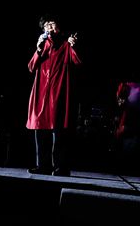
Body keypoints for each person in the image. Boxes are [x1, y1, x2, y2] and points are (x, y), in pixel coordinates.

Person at [26, 16, 81, 176]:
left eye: (52, 24)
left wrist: (74, 46)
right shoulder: (43, 45)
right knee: (40, 130)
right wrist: (38, 50)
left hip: (58, 95)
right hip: (41, 94)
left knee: (59, 133)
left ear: (59, 27)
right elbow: (31, 67)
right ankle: (42, 166)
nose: (49, 27)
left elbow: (78, 62)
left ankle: (60, 167)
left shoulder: (66, 45)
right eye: (46, 25)